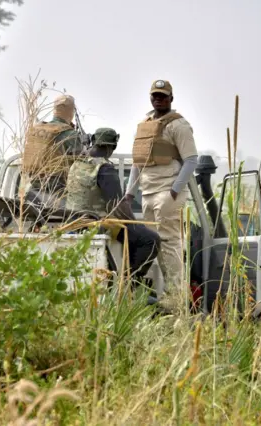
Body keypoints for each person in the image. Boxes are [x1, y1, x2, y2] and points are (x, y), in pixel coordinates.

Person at [125, 79, 199, 312]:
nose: (159, 99)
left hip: (167, 191)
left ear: (171, 99)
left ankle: (175, 297)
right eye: (155, 95)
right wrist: (129, 193)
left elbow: (191, 160)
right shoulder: (145, 125)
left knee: (170, 243)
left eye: (163, 96)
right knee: (151, 244)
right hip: (147, 192)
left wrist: (174, 190)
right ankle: (153, 294)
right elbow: (138, 162)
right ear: (150, 97)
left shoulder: (179, 125)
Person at [66, 127, 161, 298]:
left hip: (74, 223)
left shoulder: (76, 165)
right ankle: (130, 284)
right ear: (111, 148)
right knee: (150, 240)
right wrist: (136, 224)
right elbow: (117, 206)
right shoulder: (105, 169)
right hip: (95, 224)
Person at [21, 94, 86, 209]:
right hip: (58, 195)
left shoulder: (36, 130)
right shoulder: (69, 134)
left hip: (33, 192)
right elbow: (81, 165)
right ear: (71, 111)